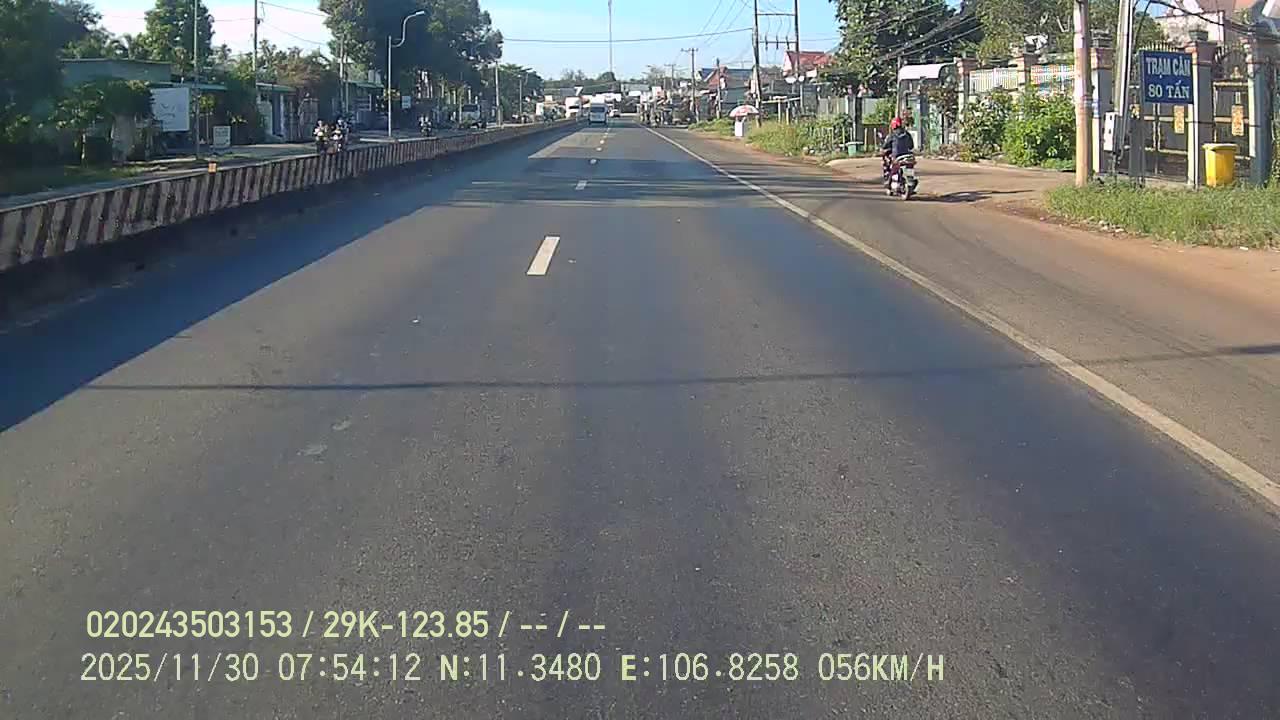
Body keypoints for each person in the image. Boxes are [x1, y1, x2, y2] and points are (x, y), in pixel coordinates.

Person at [881, 116, 915, 183]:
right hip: (908, 156)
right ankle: (909, 180)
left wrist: (883, 149)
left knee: (887, 162)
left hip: (897, 157)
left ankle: (888, 178)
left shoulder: (892, 135)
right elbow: (911, 146)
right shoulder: (907, 134)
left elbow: (885, 146)